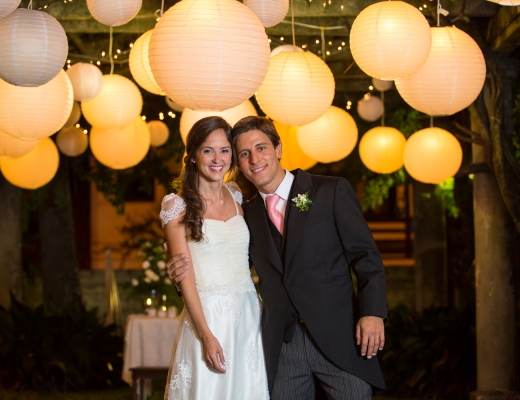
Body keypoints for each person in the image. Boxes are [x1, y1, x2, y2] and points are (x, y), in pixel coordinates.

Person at [166, 116, 388, 399]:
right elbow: (228, 263)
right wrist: (178, 272)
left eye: (261, 148)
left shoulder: (329, 191)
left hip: (339, 339)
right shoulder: (247, 212)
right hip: (282, 347)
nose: (254, 159)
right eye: (244, 153)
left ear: (278, 149)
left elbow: (365, 255)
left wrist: (372, 312)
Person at [160, 116, 269, 400]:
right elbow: (184, 276)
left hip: (248, 316)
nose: (217, 158)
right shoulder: (176, 206)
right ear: (194, 156)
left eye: (224, 150)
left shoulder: (236, 196)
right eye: (208, 150)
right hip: (207, 317)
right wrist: (206, 334)